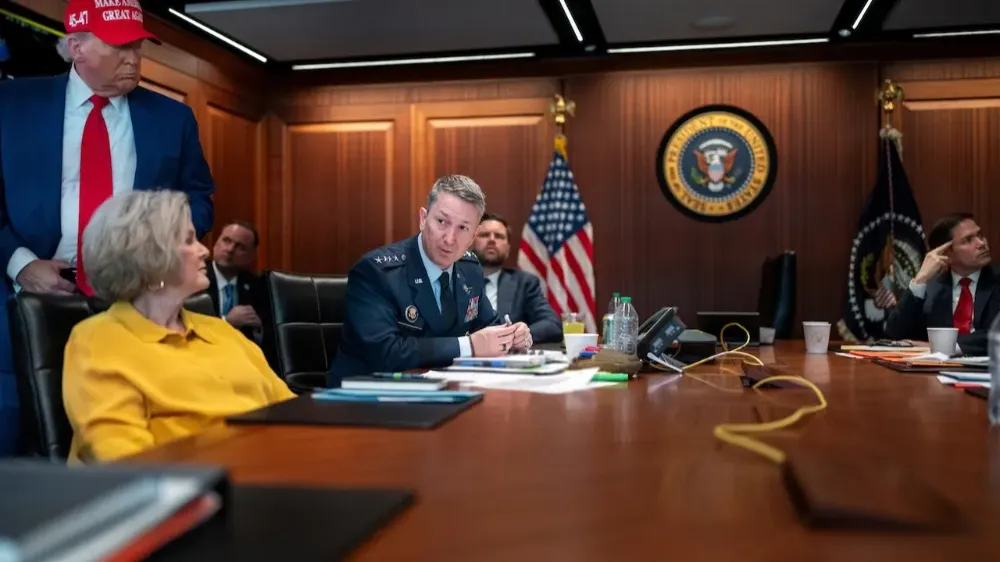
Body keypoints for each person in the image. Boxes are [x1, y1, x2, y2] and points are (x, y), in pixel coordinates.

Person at [0, 0, 214, 455]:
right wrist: (21, 265)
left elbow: (198, 200)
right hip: (21, 302)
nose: (134, 59)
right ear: (77, 48)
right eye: (120, 47)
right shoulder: (10, 105)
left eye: (138, 46)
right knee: (18, 448)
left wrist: (158, 253)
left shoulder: (172, 118)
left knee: (129, 447)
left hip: (133, 309)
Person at [62, 191, 293, 463]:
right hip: (186, 483)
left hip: (274, 470)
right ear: (150, 257)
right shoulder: (98, 340)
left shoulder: (221, 331)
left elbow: (292, 412)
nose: (205, 250)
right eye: (189, 240)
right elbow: (121, 456)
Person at [328, 175, 532, 385]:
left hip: (442, 390)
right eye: (442, 222)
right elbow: (385, 351)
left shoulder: (469, 269)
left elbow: (489, 325)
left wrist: (512, 336)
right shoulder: (377, 272)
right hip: (368, 393)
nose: (450, 239)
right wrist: (469, 346)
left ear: (473, 236)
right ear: (423, 219)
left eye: (463, 228)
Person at [885, 213, 999, 356]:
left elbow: (995, 334)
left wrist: (945, 347)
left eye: (980, 235)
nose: (981, 243)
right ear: (946, 252)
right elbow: (894, 332)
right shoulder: (931, 289)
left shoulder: (996, 281)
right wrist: (920, 279)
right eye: (968, 240)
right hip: (935, 369)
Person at [472, 213, 562, 343]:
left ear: (508, 248)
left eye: (499, 236)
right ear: (471, 242)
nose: (492, 240)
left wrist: (518, 336)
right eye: (485, 235)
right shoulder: (453, 278)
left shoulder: (525, 283)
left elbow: (552, 324)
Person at [207, 221, 266, 341]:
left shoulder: (258, 285)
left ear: (251, 256)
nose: (230, 249)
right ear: (216, 243)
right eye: (226, 241)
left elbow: (267, 335)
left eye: (240, 247)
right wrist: (226, 322)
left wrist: (258, 328)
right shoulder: (194, 280)